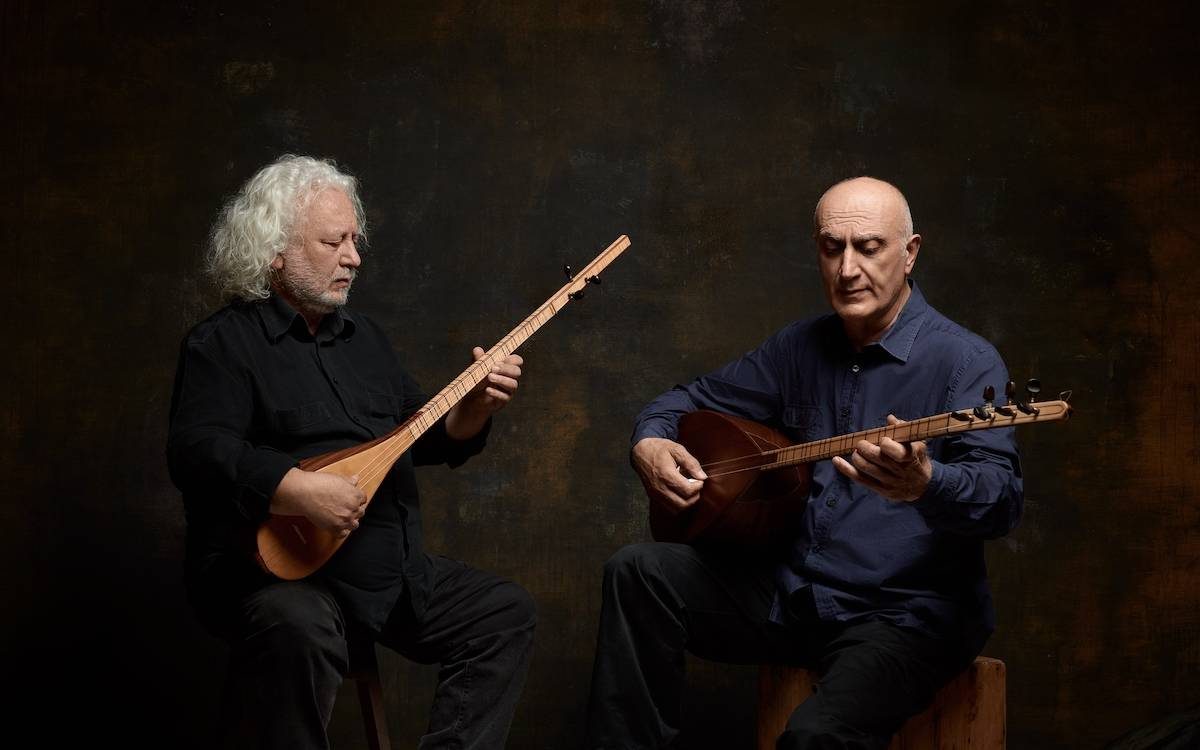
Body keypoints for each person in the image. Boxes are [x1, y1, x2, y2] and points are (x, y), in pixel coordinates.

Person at [584, 177, 1023, 749]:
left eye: (868, 247)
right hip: (796, 597)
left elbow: (1001, 499)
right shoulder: (798, 348)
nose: (847, 270)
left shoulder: (967, 361)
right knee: (637, 573)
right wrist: (649, 440)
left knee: (814, 737)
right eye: (831, 248)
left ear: (910, 252)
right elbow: (685, 399)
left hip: (902, 617)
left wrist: (926, 483)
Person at [167, 155, 536, 749]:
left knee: (503, 612)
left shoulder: (366, 341)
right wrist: (295, 489)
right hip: (276, 580)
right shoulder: (223, 344)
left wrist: (473, 411)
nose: (354, 257)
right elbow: (197, 452)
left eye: (355, 240)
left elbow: (423, 437)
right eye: (332, 241)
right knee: (300, 626)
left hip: (385, 573)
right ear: (275, 250)